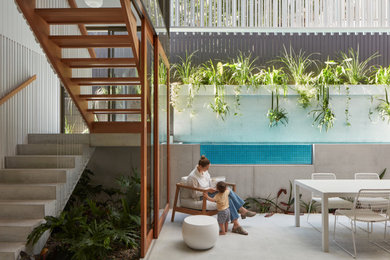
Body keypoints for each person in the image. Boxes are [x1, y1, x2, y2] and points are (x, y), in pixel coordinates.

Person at [187, 155, 256, 235]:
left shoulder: (204, 171)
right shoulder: (192, 177)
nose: (207, 170)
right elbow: (193, 194)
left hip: (210, 191)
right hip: (202, 195)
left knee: (227, 190)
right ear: (200, 166)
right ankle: (241, 214)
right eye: (206, 168)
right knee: (227, 196)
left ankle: (238, 220)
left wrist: (215, 187)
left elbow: (209, 182)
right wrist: (208, 190)